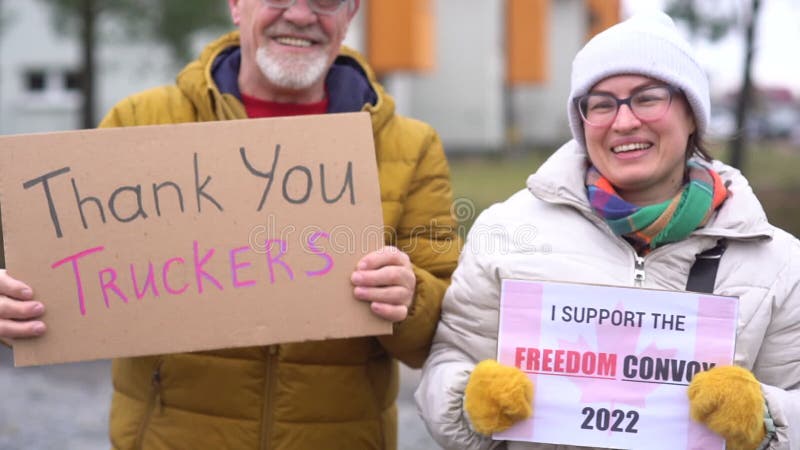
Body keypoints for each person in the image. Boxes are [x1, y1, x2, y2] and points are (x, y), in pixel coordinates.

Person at [0, 0, 461, 448]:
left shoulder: (412, 146)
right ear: (236, 5)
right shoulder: (140, 123)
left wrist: (411, 295)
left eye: (325, 0)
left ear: (350, 14)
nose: (300, 14)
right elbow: (65, 276)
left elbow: (448, 329)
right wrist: (15, 303)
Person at [415, 10, 799, 450]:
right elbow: (448, 360)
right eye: (601, 104)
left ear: (691, 113)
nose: (624, 121)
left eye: (648, 97)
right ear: (581, 122)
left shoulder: (778, 262)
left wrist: (766, 417)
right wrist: (468, 401)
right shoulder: (506, 231)